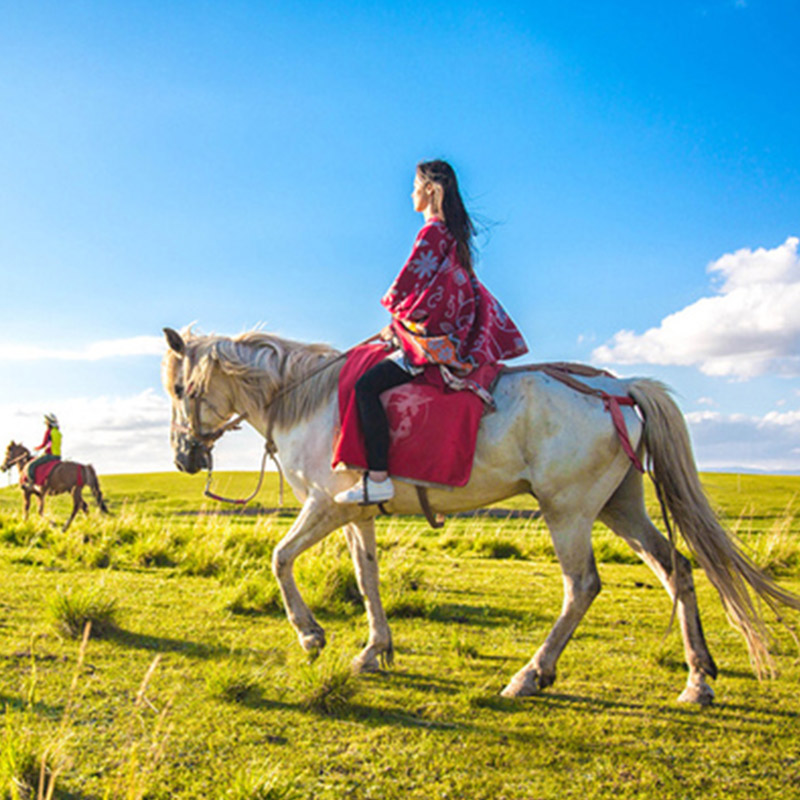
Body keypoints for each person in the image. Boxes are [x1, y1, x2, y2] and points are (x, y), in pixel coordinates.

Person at [334, 160, 528, 505]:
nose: (410, 193)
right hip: (453, 334)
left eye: (414, 185)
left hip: (435, 342)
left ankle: (378, 477)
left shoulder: (432, 232)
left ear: (429, 190)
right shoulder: (453, 237)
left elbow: (410, 282)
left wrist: (396, 317)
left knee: (366, 386)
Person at [28, 413, 62, 482]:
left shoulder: (48, 432)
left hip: (50, 455)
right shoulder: (58, 432)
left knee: (31, 466)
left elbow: (44, 444)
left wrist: (36, 448)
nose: (45, 423)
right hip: (58, 456)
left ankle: (31, 483)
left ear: (49, 423)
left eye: (46, 422)